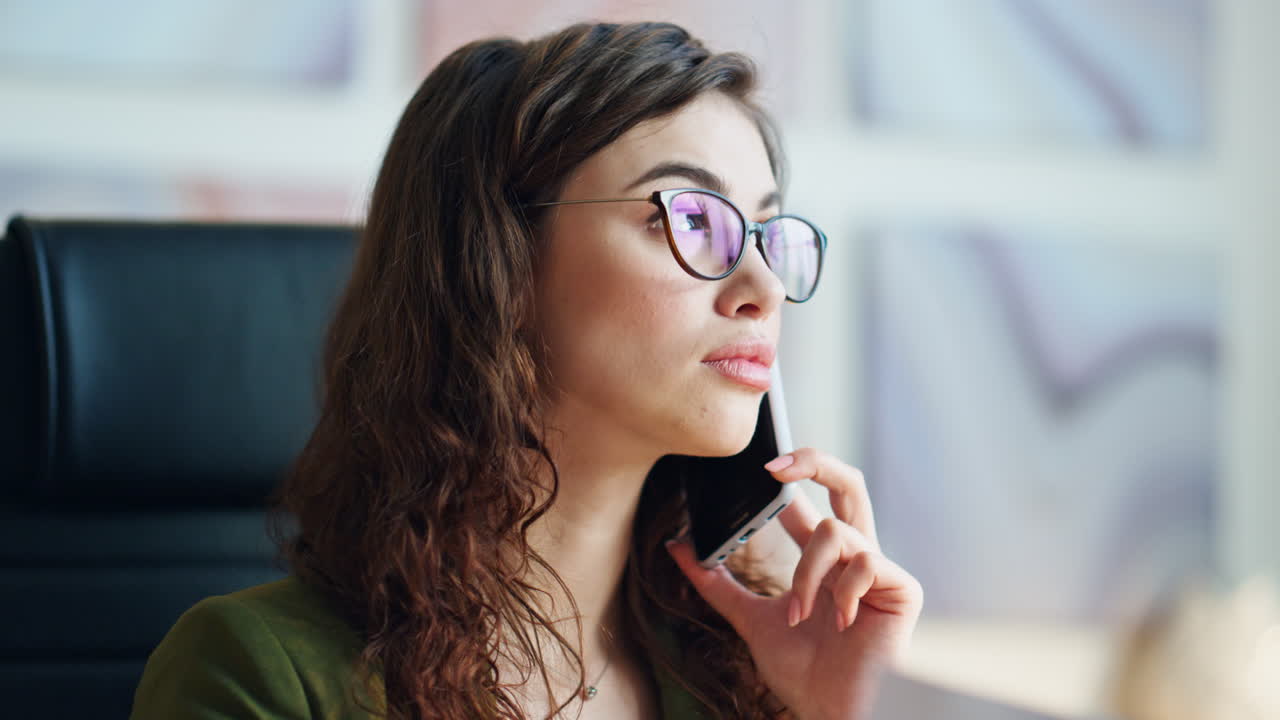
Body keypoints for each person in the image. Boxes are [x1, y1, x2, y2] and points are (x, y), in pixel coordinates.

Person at [129, 21, 922, 720]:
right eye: (688, 219)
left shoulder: (744, 677)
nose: (764, 289)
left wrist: (839, 713)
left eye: (766, 233)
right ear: (501, 268)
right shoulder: (259, 674)